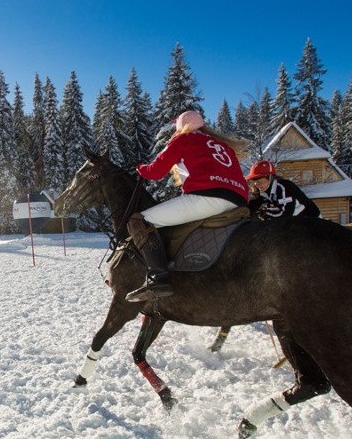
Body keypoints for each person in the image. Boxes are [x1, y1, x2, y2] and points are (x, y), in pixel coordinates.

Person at [128, 110, 249, 302]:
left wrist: (139, 168)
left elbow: (155, 172)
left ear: (180, 128)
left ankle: (157, 278)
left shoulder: (184, 138)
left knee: (138, 221)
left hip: (208, 197)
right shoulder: (223, 146)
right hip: (239, 201)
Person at [245, 161, 320, 220]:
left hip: (311, 219)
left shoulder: (285, 188)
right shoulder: (262, 193)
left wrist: (266, 214)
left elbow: (285, 214)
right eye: (254, 182)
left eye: (259, 181)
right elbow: (252, 207)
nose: (257, 185)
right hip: (295, 223)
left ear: (270, 178)